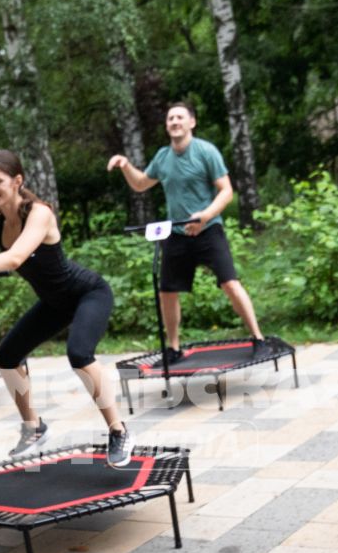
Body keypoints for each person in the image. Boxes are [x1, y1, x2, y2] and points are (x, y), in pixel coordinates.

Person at [0, 150, 136, 466]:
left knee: (79, 355)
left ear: (17, 181)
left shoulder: (39, 213)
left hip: (88, 293)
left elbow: (15, 258)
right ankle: (33, 427)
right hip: (54, 304)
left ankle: (119, 431)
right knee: (6, 357)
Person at [108, 101, 269, 361]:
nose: (174, 122)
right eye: (170, 118)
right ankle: (173, 348)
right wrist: (125, 165)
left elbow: (226, 191)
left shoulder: (206, 152)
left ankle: (258, 338)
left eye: (180, 117)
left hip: (208, 229)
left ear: (191, 122)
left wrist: (205, 216)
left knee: (230, 283)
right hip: (177, 232)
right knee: (167, 291)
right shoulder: (162, 157)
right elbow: (140, 184)